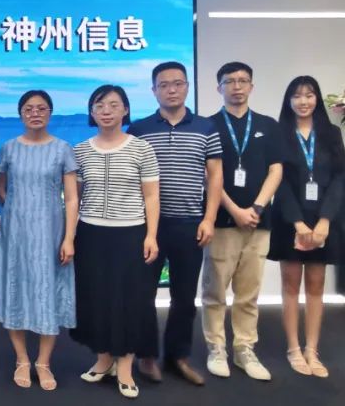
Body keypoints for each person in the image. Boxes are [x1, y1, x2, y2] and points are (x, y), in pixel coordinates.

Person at [128, 62, 223, 386]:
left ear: (187, 87)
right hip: (148, 227)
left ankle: (177, 357)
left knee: (184, 297)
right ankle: (146, 356)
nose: (171, 89)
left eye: (178, 83)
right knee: (142, 294)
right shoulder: (139, 129)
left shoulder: (206, 127)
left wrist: (209, 218)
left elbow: (215, 176)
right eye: (164, 84)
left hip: (189, 223)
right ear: (154, 90)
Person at [71, 85, 160, 399]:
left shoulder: (141, 148)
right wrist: (69, 236)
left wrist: (151, 235)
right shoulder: (80, 151)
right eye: (99, 105)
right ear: (92, 112)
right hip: (91, 234)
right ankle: (103, 358)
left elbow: (152, 196)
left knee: (129, 301)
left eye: (113, 104)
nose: (106, 110)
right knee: (95, 298)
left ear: (125, 110)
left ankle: (125, 366)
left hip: (130, 233)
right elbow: (74, 198)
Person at [0, 90, 78, 391]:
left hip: (51, 234)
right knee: (14, 289)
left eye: (41, 108)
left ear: (50, 113)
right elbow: (2, 187)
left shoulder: (62, 149)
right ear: (21, 114)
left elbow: (72, 198)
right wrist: (19, 209)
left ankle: (43, 362)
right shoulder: (9, 148)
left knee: (48, 292)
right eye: (28, 109)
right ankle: (22, 359)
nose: (35, 113)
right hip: (15, 234)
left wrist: (69, 237)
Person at [203, 62, 283, 382]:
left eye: (243, 81)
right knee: (215, 291)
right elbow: (209, 175)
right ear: (218, 87)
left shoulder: (268, 125)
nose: (236, 86)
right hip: (222, 221)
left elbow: (276, 170)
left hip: (258, 222)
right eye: (229, 81)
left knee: (249, 292)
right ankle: (216, 348)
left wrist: (257, 207)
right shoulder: (208, 126)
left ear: (251, 86)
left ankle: (244, 348)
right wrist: (235, 210)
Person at [269, 76, 344, 378]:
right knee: (290, 286)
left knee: (316, 286)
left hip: (324, 219)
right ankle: (293, 349)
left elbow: (340, 178)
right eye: (297, 96)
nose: (303, 101)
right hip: (290, 219)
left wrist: (325, 220)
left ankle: (312, 350)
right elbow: (279, 181)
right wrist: (298, 223)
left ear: (317, 99)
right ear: (288, 100)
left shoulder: (331, 133)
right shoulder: (279, 133)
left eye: (309, 95)